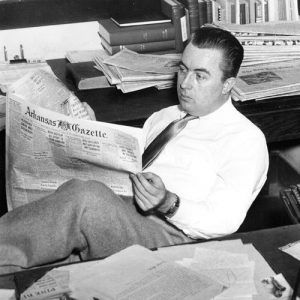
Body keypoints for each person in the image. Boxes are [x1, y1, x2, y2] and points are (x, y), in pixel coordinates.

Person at [0, 26, 269, 274]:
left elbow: (225, 220)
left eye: (200, 76)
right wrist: (90, 134)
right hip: (129, 214)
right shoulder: (167, 116)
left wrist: (168, 202)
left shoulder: (245, 140)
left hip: (175, 239)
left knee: (85, 200)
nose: (185, 84)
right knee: (51, 242)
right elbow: (129, 159)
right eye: (184, 70)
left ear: (228, 85)